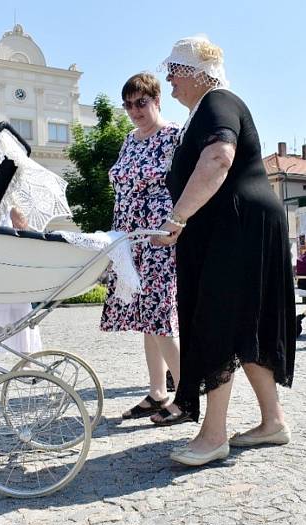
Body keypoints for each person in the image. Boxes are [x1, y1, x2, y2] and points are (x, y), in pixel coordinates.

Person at [152, 36, 295, 467]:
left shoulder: (217, 101)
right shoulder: (207, 107)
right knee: (241, 326)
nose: (170, 80)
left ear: (197, 73)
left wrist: (176, 218)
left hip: (237, 225)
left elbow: (218, 158)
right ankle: (273, 422)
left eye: (175, 71)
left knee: (216, 321)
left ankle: (213, 435)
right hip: (238, 224)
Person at [100, 72, 181, 420]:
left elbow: (191, 185)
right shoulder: (129, 140)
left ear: (157, 99)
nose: (135, 110)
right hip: (130, 239)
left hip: (159, 239)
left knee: (159, 316)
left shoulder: (174, 136)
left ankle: (187, 393)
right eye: (129, 104)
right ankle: (157, 392)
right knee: (147, 319)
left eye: (141, 102)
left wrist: (178, 225)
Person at [0, 208, 42, 380]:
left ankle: (27, 361)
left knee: (20, 314)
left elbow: (26, 238)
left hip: (11, 270)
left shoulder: (14, 210)